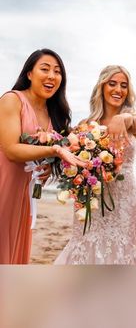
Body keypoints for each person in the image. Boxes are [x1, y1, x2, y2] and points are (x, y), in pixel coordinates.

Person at [55, 65, 136, 264]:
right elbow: (71, 160)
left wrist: (123, 117)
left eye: (123, 85)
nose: (118, 90)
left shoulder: (134, 119)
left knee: (123, 249)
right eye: (112, 84)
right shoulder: (85, 125)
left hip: (124, 197)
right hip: (92, 197)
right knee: (86, 243)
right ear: (102, 87)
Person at [0, 49, 83, 264]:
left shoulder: (54, 112)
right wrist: (54, 150)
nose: (51, 76)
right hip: (3, 183)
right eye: (44, 69)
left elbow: (47, 154)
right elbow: (10, 149)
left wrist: (49, 166)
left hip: (25, 191)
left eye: (57, 71)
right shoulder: (12, 100)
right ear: (29, 73)